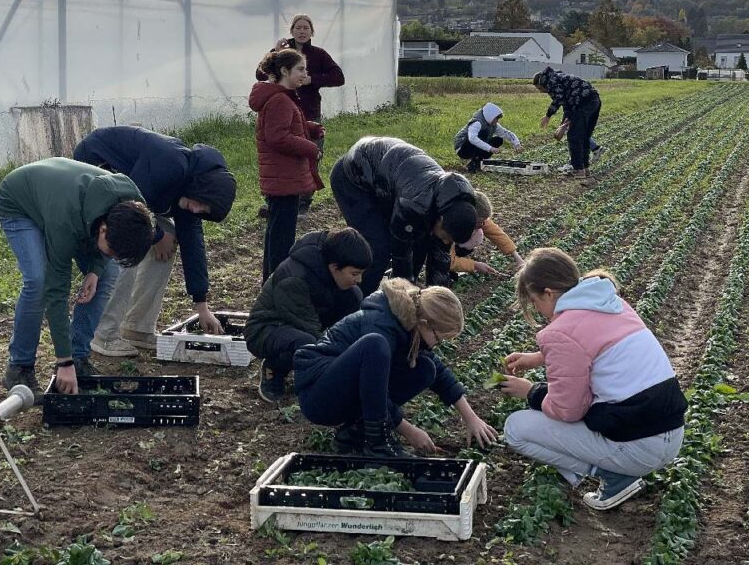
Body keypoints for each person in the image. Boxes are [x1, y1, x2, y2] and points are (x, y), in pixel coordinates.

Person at [497, 247, 687, 510]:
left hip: (639, 447)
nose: (538, 310)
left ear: (549, 293)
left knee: (516, 428)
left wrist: (531, 392)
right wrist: (538, 357)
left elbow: (568, 411)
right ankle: (619, 468)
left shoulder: (560, 332)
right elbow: (595, 344)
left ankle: (613, 476)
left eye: (535, 301)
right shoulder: (611, 304)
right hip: (671, 435)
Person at [72, 126, 237, 356]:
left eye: (204, 211)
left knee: (169, 242)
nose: (197, 209)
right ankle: (104, 334)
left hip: (138, 193)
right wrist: (156, 235)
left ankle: (137, 327)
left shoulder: (190, 192)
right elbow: (129, 205)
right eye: (201, 203)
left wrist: (202, 306)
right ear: (202, 187)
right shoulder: (170, 163)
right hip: (97, 165)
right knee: (128, 247)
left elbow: (193, 246)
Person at [0, 158, 155, 396]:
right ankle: (19, 366)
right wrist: (63, 362)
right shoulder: (66, 221)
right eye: (111, 251)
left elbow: (108, 246)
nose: (111, 255)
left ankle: (79, 356)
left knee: (106, 275)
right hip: (21, 201)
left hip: (73, 206)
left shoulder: (135, 210)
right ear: (103, 230)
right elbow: (56, 292)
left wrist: (95, 270)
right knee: (38, 282)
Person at [293, 277, 497, 456]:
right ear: (425, 322)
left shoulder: (410, 322)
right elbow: (373, 387)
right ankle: (377, 443)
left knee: (425, 368)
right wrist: (408, 430)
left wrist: (470, 417)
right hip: (319, 395)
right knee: (375, 344)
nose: (436, 344)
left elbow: (439, 372)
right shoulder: (381, 323)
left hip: (346, 392)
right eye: (439, 338)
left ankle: (355, 432)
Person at [330, 136, 478, 295]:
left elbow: (439, 257)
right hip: (354, 178)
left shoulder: (453, 206)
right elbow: (401, 253)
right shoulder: (415, 204)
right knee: (378, 248)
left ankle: (387, 301)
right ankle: (355, 302)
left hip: (388, 178)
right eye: (446, 237)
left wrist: (438, 299)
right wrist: (406, 295)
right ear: (440, 218)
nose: (446, 242)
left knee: (421, 242)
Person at [246, 227, 372, 403]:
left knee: (354, 296)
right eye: (355, 274)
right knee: (307, 342)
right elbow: (312, 331)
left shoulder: (333, 273)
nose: (359, 280)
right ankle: (274, 367)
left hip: (303, 322)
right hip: (266, 329)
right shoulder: (294, 279)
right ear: (335, 267)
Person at [257, 14, 345, 216]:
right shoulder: (281, 54)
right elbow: (260, 74)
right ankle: (275, 200)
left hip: (309, 111)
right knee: (281, 156)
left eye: (306, 28)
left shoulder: (319, 54)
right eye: (298, 28)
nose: (302, 31)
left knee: (309, 157)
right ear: (292, 31)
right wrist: (275, 52)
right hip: (282, 112)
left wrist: (312, 80)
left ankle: (303, 203)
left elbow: (338, 77)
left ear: (312, 32)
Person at [249, 46, 324, 281]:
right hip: (284, 178)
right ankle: (276, 287)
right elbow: (277, 137)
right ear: (284, 70)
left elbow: (284, 127)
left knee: (276, 234)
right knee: (281, 239)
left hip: (283, 177)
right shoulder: (280, 100)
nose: (304, 74)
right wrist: (311, 148)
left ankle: (270, 284)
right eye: (300, 69)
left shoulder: (281, 98)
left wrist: (309, 127)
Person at [533, 67, 602, 183]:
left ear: (542, 82)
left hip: (584, 104)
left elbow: (559, 100)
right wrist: (565, 122)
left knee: (574, 138)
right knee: (584, 137)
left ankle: (579, 170)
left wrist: (548, 115)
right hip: (594, 101)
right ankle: (585, 170)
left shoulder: (552, 83)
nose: (540, 91)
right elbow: (568, 103)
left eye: (539, 88)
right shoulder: (559, 79)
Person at [448, 191, 525, 277]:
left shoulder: (478, 219)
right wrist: (475, 265)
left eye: (484, 221)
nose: (482, 225)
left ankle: (455, 261)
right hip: (433, 253)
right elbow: (448, 260)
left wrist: (518, 258)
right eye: (480, 222)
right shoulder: (449, 225)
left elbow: (497, 234)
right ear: (469, 216)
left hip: (451, 248)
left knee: (478, 235)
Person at [453, 102, 522, 172]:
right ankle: (473, 164)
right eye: (496, 118)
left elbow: (506, 133)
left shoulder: (493, 125)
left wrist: (516, 144)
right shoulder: (477, 123)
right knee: (483, 134)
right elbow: (472, 139)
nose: (497, 121)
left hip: (473, 147)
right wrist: (490, 148)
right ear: (490, 116)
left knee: (498, 140)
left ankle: (478, 161)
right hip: (462, 149)